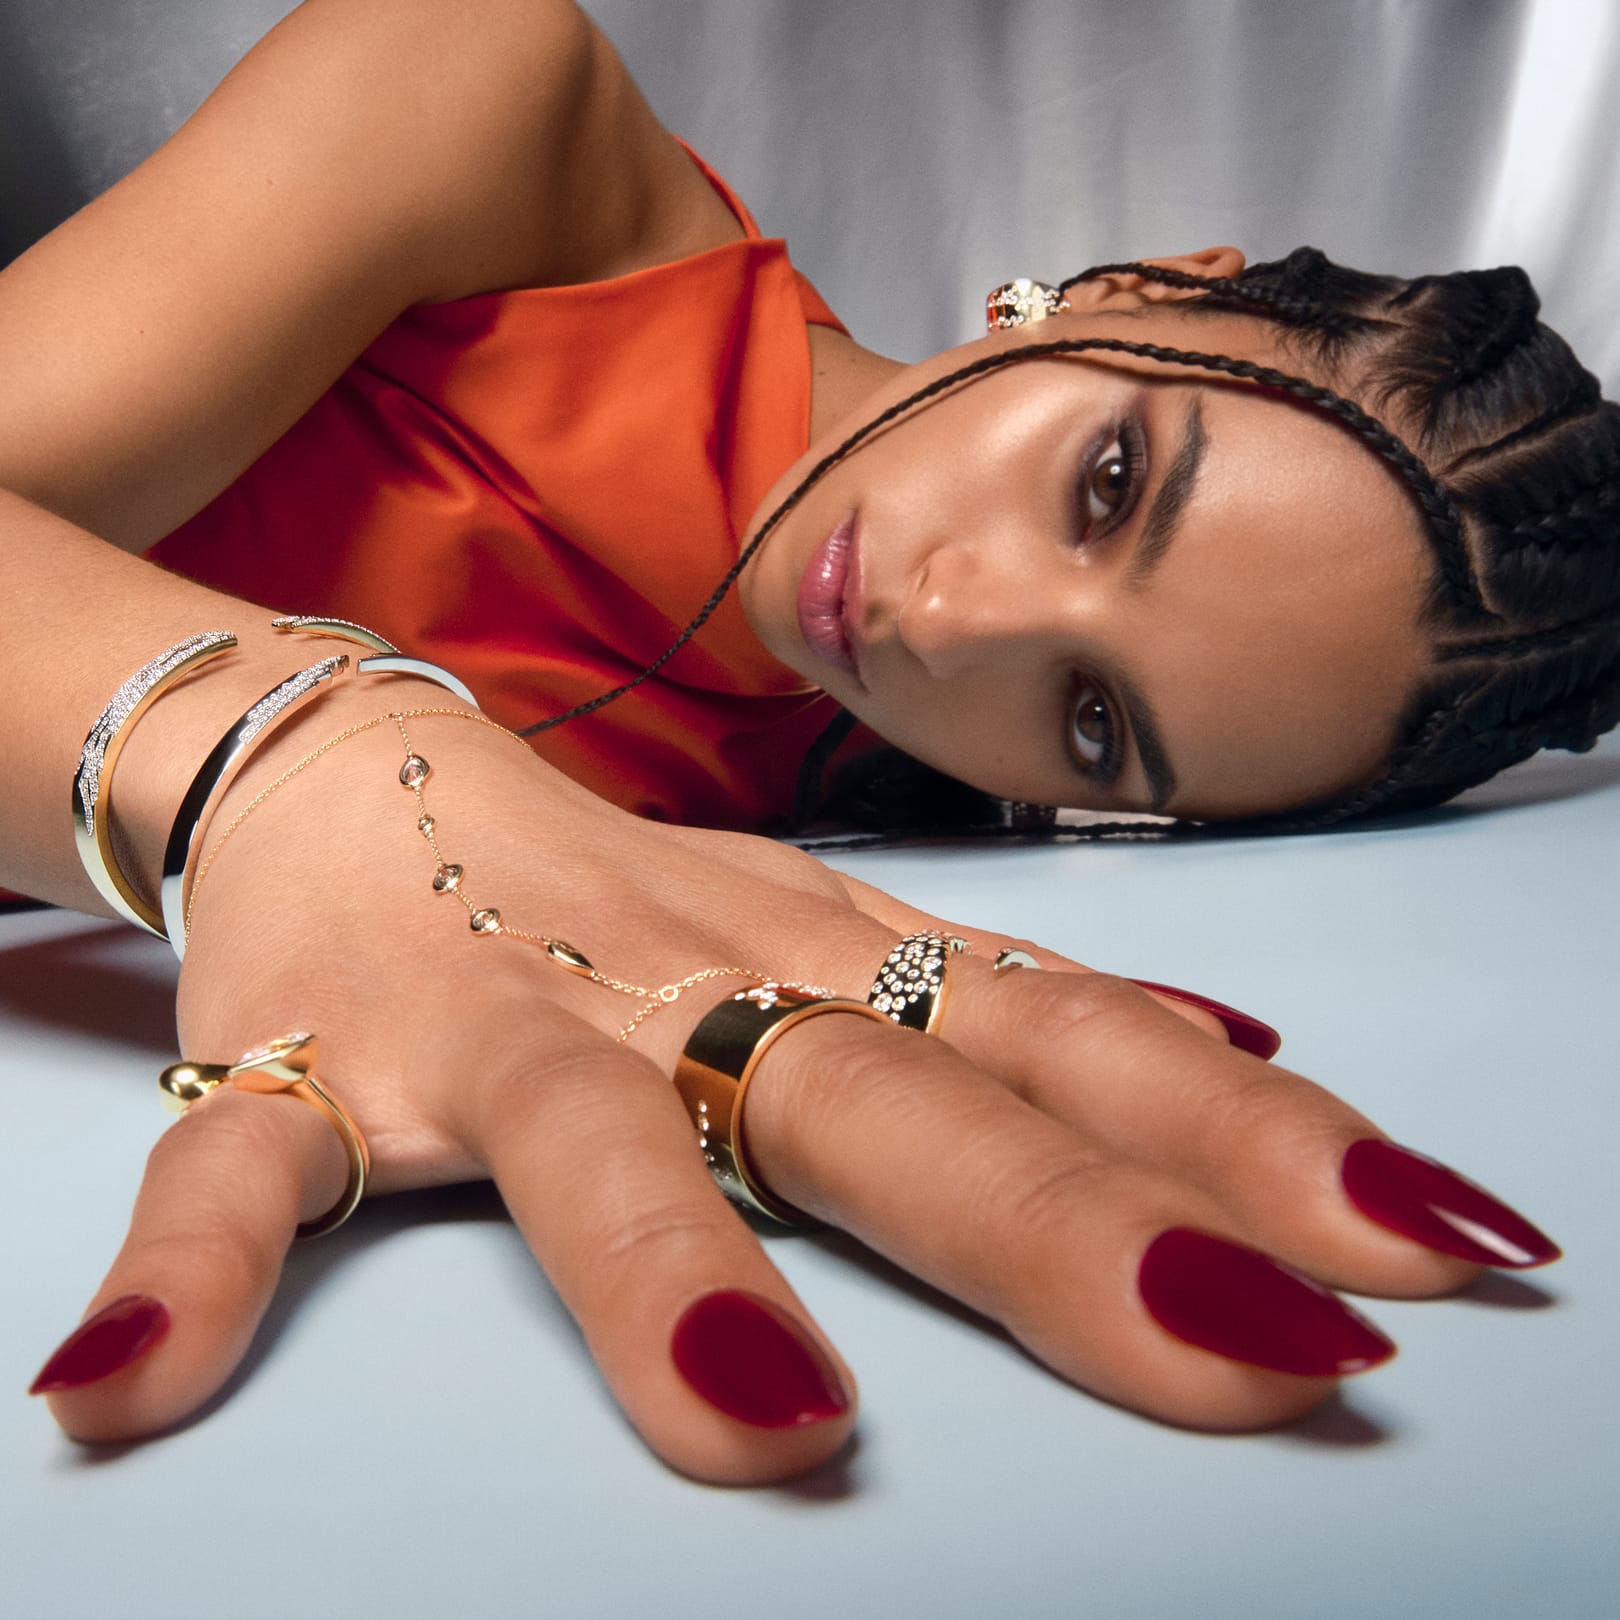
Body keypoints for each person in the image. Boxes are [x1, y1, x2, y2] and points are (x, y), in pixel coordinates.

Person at [0, 0, 1599, 1484]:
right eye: (1106, 484)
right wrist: (288, 766)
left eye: (1095, 721)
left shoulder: (809, 854)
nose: (957, 622)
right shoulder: (488, 91)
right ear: (1137, 291)